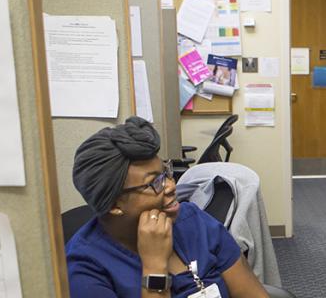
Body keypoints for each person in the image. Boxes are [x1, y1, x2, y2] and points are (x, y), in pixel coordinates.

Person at [65, 117, 267, 298]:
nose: (171, 185)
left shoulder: (194, 221)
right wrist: (154, 267)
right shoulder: (85, 269)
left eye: (166, 172)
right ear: (114, 205)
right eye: (154, 182)